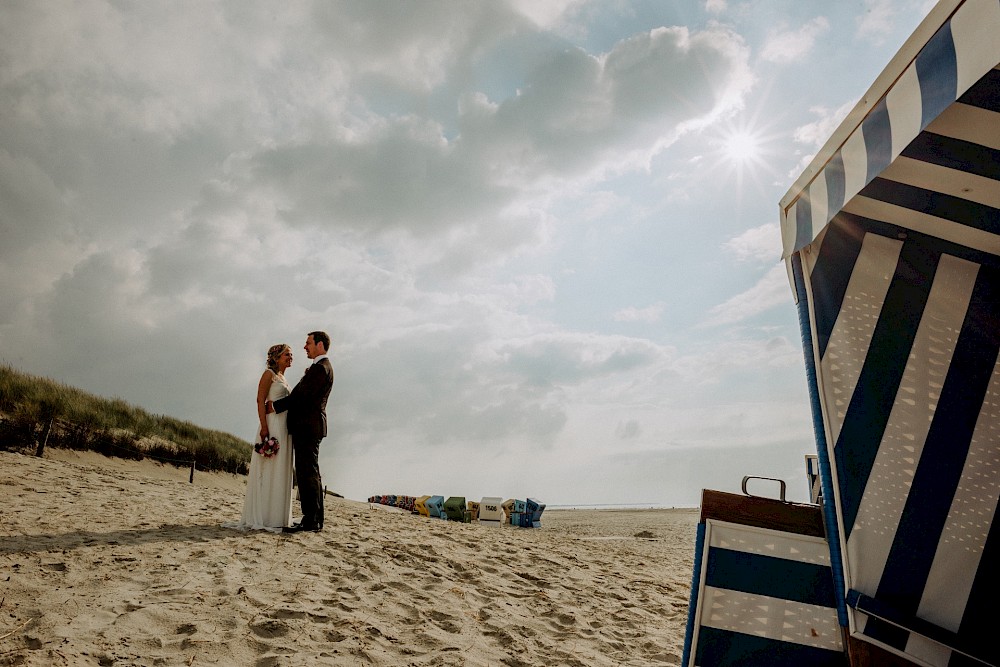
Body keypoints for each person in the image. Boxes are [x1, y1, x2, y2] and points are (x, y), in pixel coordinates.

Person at [223, 344, 295, 532]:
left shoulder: (283, 378)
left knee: (279, 468)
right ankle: (264, 515)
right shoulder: (268, 375)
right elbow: (260, 399)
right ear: (277, 357)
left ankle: (276, 514)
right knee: (268, 468)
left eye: (291, 354)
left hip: (284, 428)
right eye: (287, 354)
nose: (290, 357)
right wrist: (264, 427)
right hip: (271, 426)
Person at [267, 331, 334, 533]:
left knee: (307, 474)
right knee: (310, 473)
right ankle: (314, 519)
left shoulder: (321, 369)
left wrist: (276, 406)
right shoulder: (318, 368)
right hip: (310, 426)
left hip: (308, 426)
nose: (305, 347)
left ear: (319, 345)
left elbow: (301, 397)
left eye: (308, 343)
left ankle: (311, 520)